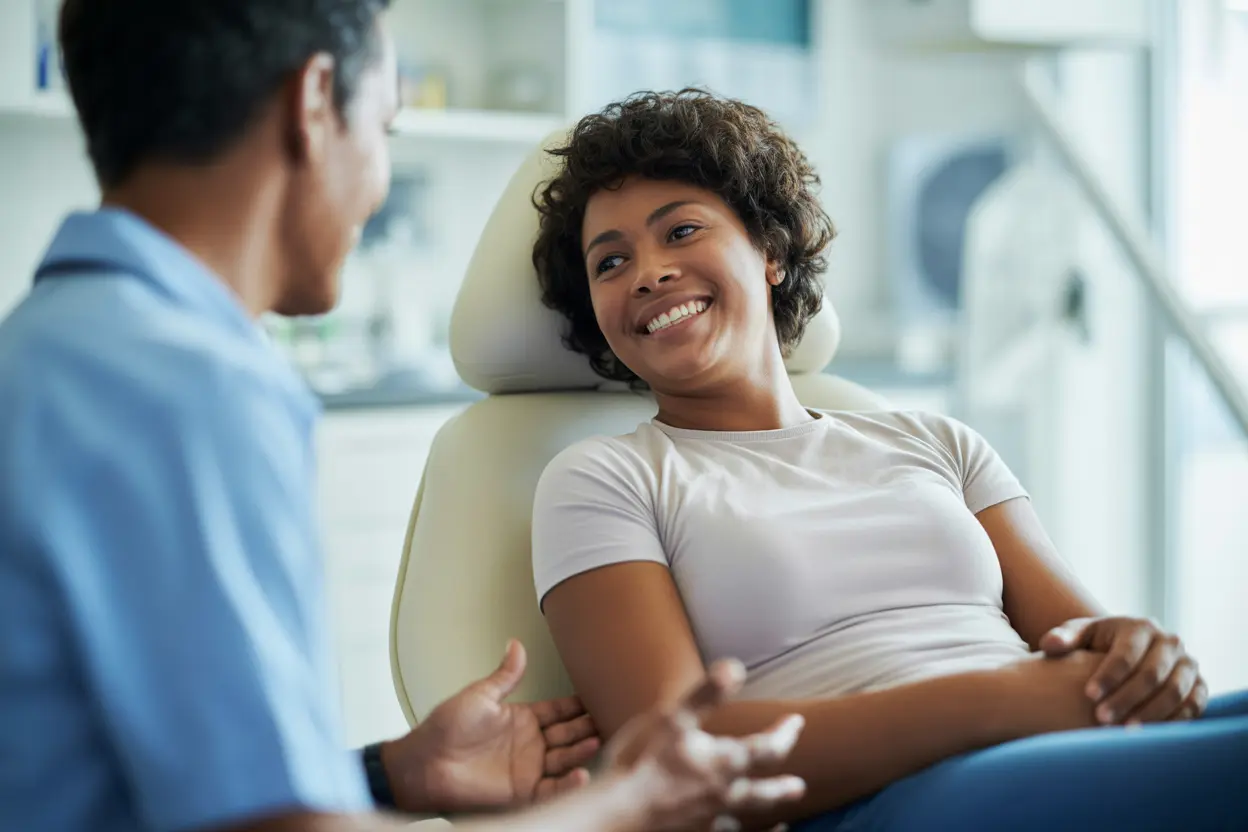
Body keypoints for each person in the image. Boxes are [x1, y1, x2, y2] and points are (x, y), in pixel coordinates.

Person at [0, 4, 812, 832]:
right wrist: (627, 805)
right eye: (384, 128)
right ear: (314, 103)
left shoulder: (60, 349)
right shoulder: (179, 384)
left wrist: (389, 775)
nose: (379, 181)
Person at [528, 88, 1248, 831]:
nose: (647, 273)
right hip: (886, 804)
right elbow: (673, 764)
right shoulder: (604, 480)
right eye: (610, 262)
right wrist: (1005, 701)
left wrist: (1143, 656)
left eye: (681, 231)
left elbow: (1095, 651)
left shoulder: (937, 441)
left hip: (1057, 754)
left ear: (770, 251)